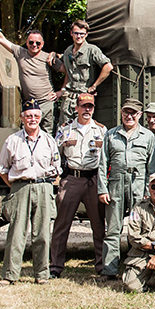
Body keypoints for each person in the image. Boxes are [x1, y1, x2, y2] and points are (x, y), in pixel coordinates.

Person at [0, 99, 60, 285]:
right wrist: (16, 187)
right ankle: (10, 275)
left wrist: (46, 186)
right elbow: (2, 169)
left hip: (43, 187)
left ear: (40, 118)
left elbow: (57, 169)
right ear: (22, 118)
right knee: (16, 234)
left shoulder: (49, 140)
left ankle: (42, 275)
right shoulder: (13, 140)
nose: (32, 119)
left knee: (42, 235)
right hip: (20, 188)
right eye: (29, 116)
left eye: (36, 116)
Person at [97, 97, 155, 281]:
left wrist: (150, 190)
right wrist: (102, 189)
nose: (129, 116)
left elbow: (152, 166)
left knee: (139, 228)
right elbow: (103, 164)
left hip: (138, 185)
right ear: (121, 113)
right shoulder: (111, 134)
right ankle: (109, 269)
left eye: (133, 113)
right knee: (113, 229)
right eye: (126, 112)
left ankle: (136, 267)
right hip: (116, 184)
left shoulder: (148, 136)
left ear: (140, 115)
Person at [0, 13, 63, 134]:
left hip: (46, 103)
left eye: (38, 43)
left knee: (48, 135)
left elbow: (67, 71)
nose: (34, 45)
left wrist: (60, 92)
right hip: (29, 104)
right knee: (27, 135)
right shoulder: (20, 52)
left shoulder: (48, 57)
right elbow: (0, 39)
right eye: (31, 42)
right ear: (26, 43)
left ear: (42, 44)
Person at [50, 93, 107, 278]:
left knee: (98, 226)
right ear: (76, 108)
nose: (87, 110)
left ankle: (101, 266)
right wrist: (58, 175)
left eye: (90, 106)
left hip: (93, 179)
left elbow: (106, 157)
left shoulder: (101, 130)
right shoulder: (65, 129)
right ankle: (56, 266)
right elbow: (55, 153)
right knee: (62, 224)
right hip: (72, 179)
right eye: (83, 106)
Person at [57, 20, 113, 128]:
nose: (79, 36)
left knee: (83, 128)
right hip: (68, 99)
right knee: (64, 129)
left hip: (84, 97)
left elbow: (108, 67)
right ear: (71, 33)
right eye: (76, 33)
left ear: (86, 34)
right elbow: (68, 72)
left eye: (82, 34)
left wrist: (94, 85)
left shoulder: (92, 50)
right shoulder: (68, 51)